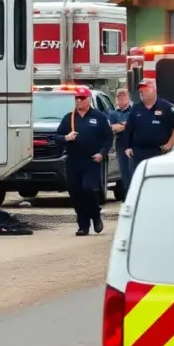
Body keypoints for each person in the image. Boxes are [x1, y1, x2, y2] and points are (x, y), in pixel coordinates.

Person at [55, 86, 113, 236]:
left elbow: (108, 137)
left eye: (81, 98)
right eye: (76, 98)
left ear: (88, 99)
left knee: (88, 189)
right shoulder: (69, 118)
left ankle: (95, 215)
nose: (78, 101)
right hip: (74, 160)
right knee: (76, 193)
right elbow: (57, 138)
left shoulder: (98, 116)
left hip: (91, 161)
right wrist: (66, 138)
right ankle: (83, 225)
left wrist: (102, 153)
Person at [125, 78, 174, 177]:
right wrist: (128, 147)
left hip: (159, 153)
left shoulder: (166, 106)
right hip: (138, 154)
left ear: (153, 90)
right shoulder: (136, 108)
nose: (142, 93)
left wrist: (170, 144)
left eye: (145, 90)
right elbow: (129, 129)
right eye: (140, 91)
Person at [108, 88, 133, 193]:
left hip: (134, 144)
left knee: (134, 170)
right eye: (119, 96)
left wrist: (122, 125)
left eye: (123, 96)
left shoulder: (134, 111)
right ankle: (127, 195)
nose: (121, 98)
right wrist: (125, 124)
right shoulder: (113, 114)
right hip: (121, 145)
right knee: (124, 172)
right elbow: (113, 128)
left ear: (128, 97)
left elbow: (134, 126)